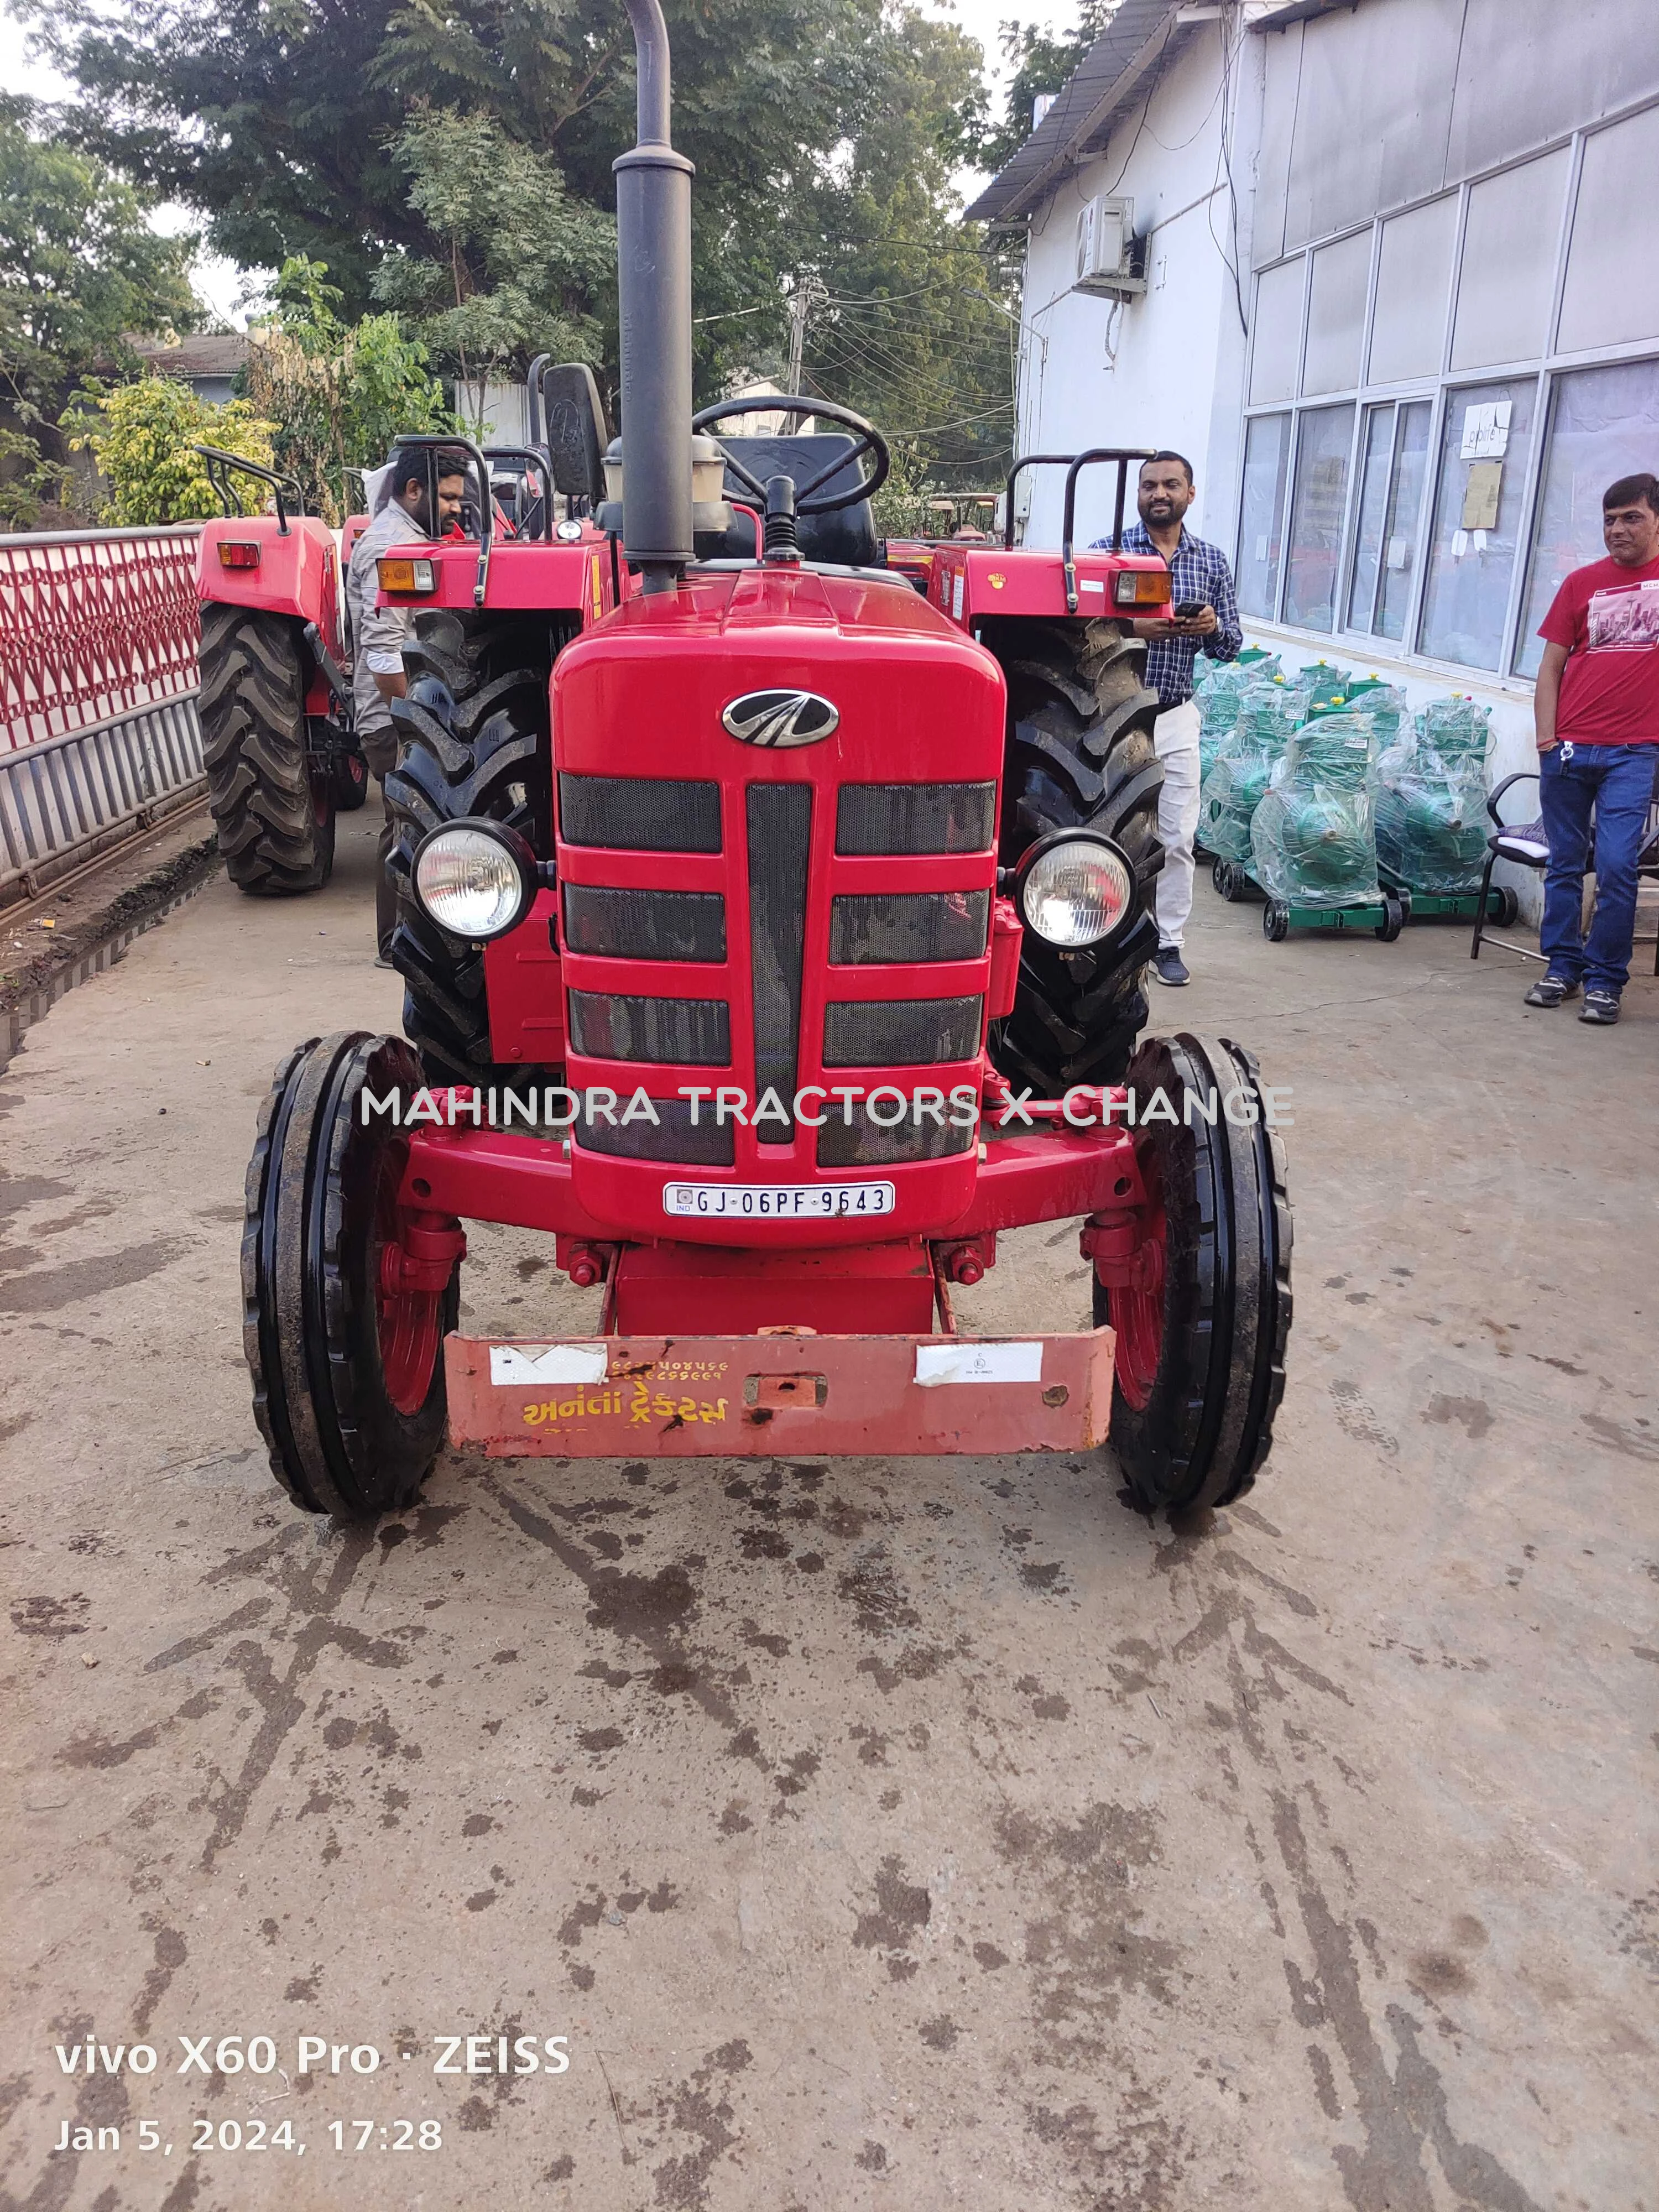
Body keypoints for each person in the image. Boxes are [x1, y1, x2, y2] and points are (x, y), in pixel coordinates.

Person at [1093, 451, 1241, 985]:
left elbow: (1231, 646)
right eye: (1150, 485)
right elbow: (1081, 635)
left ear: (1189, 494)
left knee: (1177, 837)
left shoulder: (1211, 562)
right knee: (1105, 835)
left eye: (1171, 485)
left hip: (1175, 716)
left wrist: (1211, 625)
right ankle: (1099, 935)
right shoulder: (1106, 556)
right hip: (1110, 719)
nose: (1160, 494)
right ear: (1139, 494)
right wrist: (1133, 631)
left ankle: (1168, 942)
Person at [1525, 471, 1659, 1026]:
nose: (1617, 529)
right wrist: (1545, 737)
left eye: (1632, 517)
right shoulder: (1581, 584)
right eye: (1609, 519)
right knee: (1563, 864)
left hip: (1635, 751)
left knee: (1617, 865)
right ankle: (1562, 966)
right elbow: (1551, 667)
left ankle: (1606, 980)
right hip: (1569, 749)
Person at [345, 442, 471, 962]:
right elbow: (383, 656)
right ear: (412, 490)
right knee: (406, 819)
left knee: (419, 819)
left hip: (410, 709)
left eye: (460, 498)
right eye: (446, 497)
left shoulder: (415, 540)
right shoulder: (389, 548)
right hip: (392, 716)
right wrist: (419, 726)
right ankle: (394, 945)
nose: (456, 508)